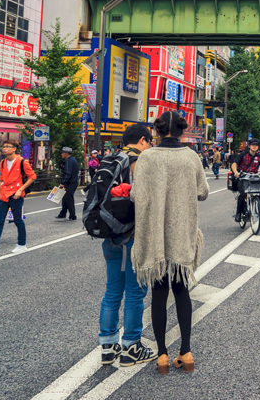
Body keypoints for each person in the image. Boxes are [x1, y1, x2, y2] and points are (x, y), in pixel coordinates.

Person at [131, 111, 209, 374]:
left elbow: (135, 194)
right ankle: (186, 352)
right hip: (181, 235)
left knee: (159, 294)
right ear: (182, 131)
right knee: (182, 290)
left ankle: (162, 355)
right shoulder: (191, 156)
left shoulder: (147, 157)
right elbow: (203, 192)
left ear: (158, 131)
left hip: (154, 236)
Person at [98, 124, 157, 368]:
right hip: (133, 235)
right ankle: (132, 346)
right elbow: (145, 200)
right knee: (135, 292)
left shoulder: (109, 158)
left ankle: (108, 347)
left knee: (112, 291)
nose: (151, 146)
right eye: (150, 141)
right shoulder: (138, 162)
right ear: (142, 140)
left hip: (110, 234)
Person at [0, 140, 35, 257]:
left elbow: (32, 176)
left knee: (18, 220)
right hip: (4, 195)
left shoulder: (22, 161)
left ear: (14, 149)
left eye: (8, 147)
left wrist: (20, 190)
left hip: (16, 194)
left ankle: (21, 244)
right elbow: (1, 180)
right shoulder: (2, 162)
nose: (4, 149)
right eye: (4, 147)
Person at [230, 138, 260, 222]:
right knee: (243, 194)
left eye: (256, 145)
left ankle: (258, 205)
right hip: (243, 177)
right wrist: (235, 172)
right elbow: (234, 164)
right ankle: (238, 212)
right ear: (249, 146)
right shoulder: (243, 155)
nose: (254, 147)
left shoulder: (259, 156)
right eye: (253, 145)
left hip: (253, 177)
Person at [55, 146, 80, 221]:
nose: (61, 154)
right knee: (65, 197)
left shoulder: (68, 161)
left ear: (66, 153)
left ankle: (72, 215)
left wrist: (63, 182)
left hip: (70, 182)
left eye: (62, 153)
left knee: (69, 198)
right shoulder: (72, 160)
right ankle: (63, 213)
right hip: (72, 181)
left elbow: (67, 173)